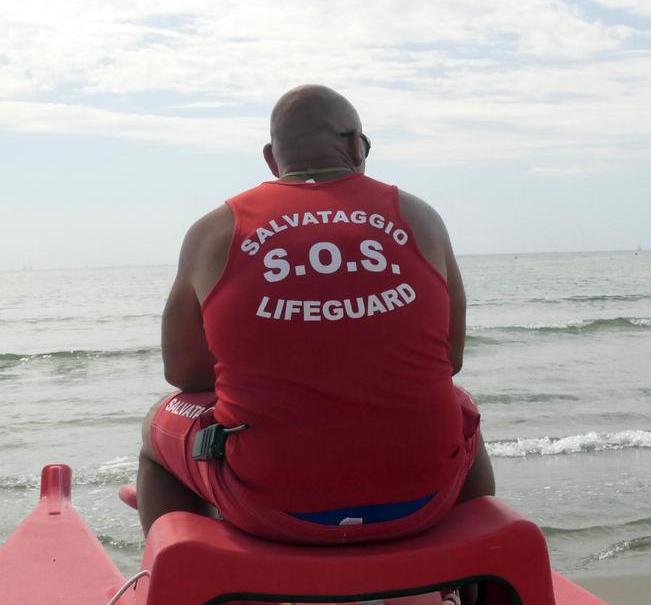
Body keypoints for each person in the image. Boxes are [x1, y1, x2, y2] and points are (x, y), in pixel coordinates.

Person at [136, 85, 494, 544]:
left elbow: (183, 373)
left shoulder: (214, 230)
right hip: (426, 498)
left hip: (268, 505)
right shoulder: (418, 217)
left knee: (159, 423)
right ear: (352, 145)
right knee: (457, 402)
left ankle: (186, 591)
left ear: (272, 158)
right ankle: (477, 568)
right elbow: (450, 355)